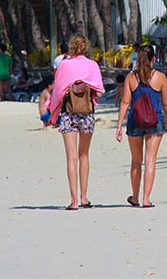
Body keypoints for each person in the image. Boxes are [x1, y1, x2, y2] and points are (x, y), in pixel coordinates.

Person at [48, 34, 105, 210]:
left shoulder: (64, 65)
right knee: (84, 155)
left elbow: (57, 92)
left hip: (68, 114)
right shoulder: (92, 65)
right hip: (87, 113)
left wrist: (52, 113)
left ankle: (73, 202)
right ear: (86, 47)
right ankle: (84, 198)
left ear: (71, 47)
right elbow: (100, 92)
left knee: (71, 158)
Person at [116, 45, 167, 208]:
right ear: (154, 59)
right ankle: (146, 199)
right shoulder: (160, 77)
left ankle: (135, 197)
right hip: (155, 121)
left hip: (134, 122)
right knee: (150, 161)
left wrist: (119, 126)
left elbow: (125, 102)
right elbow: (166, 104)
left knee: (136, 162)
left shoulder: (131, 77)